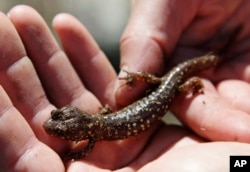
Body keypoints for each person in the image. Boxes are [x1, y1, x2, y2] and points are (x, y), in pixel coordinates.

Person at [0, 1, 250, 171]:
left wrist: (75, 155)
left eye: (62, 130)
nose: (56, 128)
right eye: (62, 128)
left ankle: (207, 66)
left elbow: (85, 148)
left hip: (162, 90)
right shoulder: (94, 128)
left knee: (177, 84)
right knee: (168, 84)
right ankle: (209, 62)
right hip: (158, 90)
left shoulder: (93, 135)